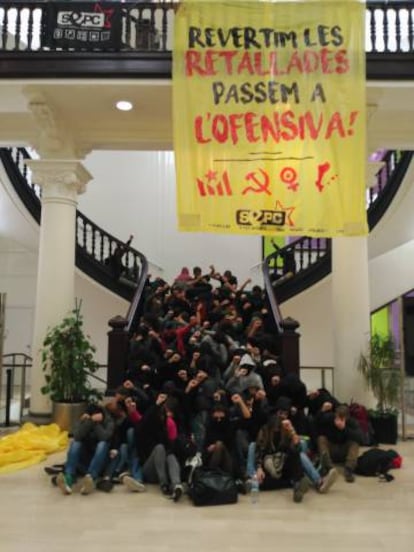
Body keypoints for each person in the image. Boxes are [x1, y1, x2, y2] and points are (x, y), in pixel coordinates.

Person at [56, 403, 115, 495]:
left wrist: (96, 424)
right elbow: (77, 436)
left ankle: (91, 477)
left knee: (102, 444)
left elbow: (105, 437)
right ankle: (69, 478)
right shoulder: (85, 420)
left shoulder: (109, 421)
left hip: (100, 462)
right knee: (76, 443)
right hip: (84, 460)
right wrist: (89, 422)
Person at [316, 403, 363, 483]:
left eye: (342, 418)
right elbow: (317, 421)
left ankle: (349, 469)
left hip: (344, 452)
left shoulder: (352, 422)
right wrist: (322, 410)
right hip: (331, 450)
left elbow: (360, 438)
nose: (338, 420)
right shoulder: (330, 418)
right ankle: (328, 467)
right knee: (321, 439)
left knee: (354, 442)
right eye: (337, 417)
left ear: (347, 418)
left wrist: (344, 428)